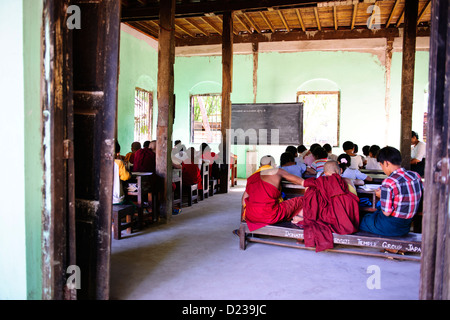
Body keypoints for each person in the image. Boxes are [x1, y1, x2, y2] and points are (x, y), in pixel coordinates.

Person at [290, 160, 360, 252]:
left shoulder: (318, 183)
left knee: (311, 196)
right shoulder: (348, 181)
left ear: (325, 173)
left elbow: (311, 202)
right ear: (341, 171)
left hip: (327, 216)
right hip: (348, 219)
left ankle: (304, 218)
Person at [359, 146, 423, 237]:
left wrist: (382, 196)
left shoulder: (389, 182)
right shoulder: (415, 176)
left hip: (391, 226)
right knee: (372, 216)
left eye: (381, 165)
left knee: (362, 220)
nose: (383, 169)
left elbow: (386, 212)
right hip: (406, 225)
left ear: (386, 163)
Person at [241, 155, 305, 232]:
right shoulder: (277, 171)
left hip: (251, 215)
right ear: (274, 165)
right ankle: (300, 221)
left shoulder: (252, 177)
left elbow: (244, 201)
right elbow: (301, 182)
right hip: (270, 215)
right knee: (303, 200)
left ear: (260, 166)